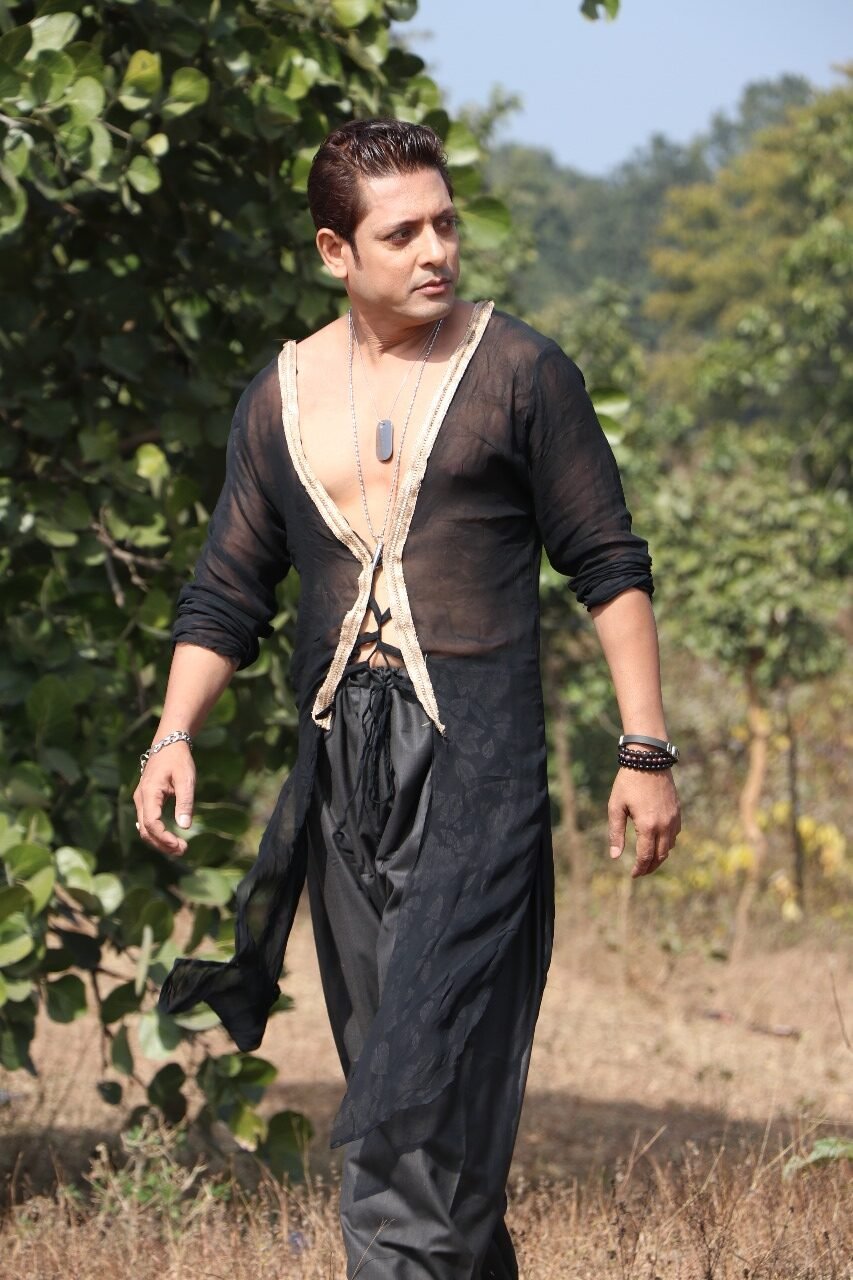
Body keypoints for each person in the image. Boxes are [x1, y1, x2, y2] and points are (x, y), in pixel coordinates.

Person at [135, 118, 681, 1279]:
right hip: (343, 785)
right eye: (402, 233)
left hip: (476, 781)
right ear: (335, 250)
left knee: (414, 1105)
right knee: (400, 1078)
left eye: (445, 222)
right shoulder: (279, 396)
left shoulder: (520, 372)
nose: (436, 249)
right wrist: (172, 734)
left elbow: (607, 562)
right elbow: (226, 588)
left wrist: (644, 747)